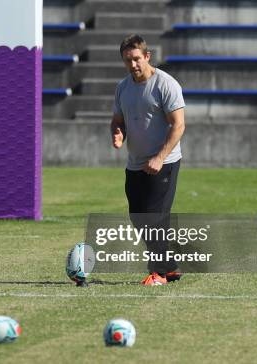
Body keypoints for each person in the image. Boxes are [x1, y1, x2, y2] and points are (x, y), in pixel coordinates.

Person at [111, 34, 186, 286]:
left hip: (164, 163)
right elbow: (118, 120)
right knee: (137, 216)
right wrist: (118, 133)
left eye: (136, 59)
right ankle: (170, 267)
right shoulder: (123, 87)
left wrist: (160, 157)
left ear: (147, 56)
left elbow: (178, 125)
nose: (132, 65)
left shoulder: (166, 84)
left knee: (153, 217)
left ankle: (160, 274)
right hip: (135, 164)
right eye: (127, 60)